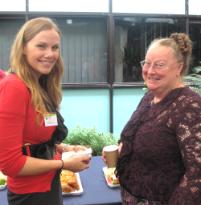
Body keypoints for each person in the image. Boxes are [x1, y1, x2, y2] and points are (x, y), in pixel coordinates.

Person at [0, 17, 91, 205]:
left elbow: (32, 142)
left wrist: (64, 149)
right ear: (23, 48)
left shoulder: (38, 86)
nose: (50, 54)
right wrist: (64, 164)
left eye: (55, 47)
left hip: (48, 184)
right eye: (41, 46)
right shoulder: (14, 87)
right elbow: (9, 163)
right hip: (30, 195)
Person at [111, 33, 201, 204]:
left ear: (179, 68)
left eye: (159, 65)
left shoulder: (190, 107)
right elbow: (140, 135)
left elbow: (197, 175)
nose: (150, 71)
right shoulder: (149, 98)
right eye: (147, 63)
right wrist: (124, 148)